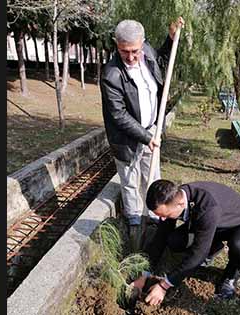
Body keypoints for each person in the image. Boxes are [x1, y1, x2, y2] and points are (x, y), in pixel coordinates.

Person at [100, 17, 184, 246]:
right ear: (116, 45)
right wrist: (147, 138)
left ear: (142, 43)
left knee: (151, 176)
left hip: (151, 130)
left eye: (135, 50)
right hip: (127, 138)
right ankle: (134, 223)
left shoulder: (146, 52)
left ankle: (156, 219)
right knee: (129, 179)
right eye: (124, 51)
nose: (131, 57)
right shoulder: (111, 75)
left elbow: (161, 60)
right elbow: (118, 116)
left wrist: (170, 38)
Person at [132, 180, 240, 306]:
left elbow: (198, 254)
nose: (163, 219)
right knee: (174, 241)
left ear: (180, 204)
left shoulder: (207, 206)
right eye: (160, 216)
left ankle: (231, 275)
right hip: (212, 224)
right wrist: (145, 274)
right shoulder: (173, 197)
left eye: (166, 215)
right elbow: (160, 238)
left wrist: (163, 285)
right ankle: (214, 246)